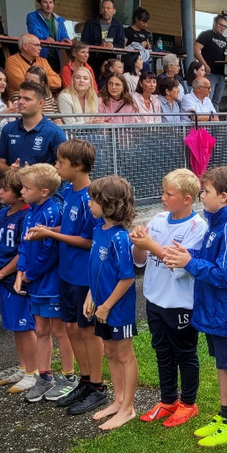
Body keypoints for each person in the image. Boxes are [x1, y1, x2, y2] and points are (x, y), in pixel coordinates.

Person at [162, 166, 227, 447]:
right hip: (213, 309)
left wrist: (189, 263)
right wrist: (191, 254)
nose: (202, 195)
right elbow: (210, 259)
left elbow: (225, 276)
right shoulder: (215, 224)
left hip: (225, 310)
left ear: (223, 196)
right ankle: (224, 417)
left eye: (206, 191)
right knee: (222, 365)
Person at [24, 139, 100, 405]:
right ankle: (84, 380)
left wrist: (49, 233)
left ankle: (97, 386)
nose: (56, 166)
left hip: (82, 275)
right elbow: (68, 231)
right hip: (66, 274)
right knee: (70, 328)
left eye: (60, 162)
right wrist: (48, 232)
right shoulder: (69, 192)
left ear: (78, 165)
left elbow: (90, 240)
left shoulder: (92, 196)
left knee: (86, 330)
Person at [132, 169, 208, 426]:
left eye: (169, 194)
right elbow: (141, 260)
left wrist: (149, 245)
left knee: (184, 353)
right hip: (154, 299)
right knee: (161, 351)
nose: (162, 197)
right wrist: (138, 242)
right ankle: (168, 400)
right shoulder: (159, 219)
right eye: (163, 192)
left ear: (187, 199)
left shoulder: (198, 227)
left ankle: (188, 403)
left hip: (180, 303)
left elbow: (180, 263)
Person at [14, 163, 75, 402]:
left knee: (60, 330)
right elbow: (24, 244)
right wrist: (21, 271)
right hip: (35, 283)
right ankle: (44, 376)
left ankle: (69, 377)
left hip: (49, 283)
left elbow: (51, 251)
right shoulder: (30, 212)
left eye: (26, 188)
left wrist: (31, 273)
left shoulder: (52, 212)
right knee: (40, 329)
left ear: (44, 192)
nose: (22, 192)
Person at [83, 175, 139, 431]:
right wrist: (91, 296)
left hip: (117, 310)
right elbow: (97, 270)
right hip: (101, 306)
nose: (89, 202)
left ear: (108, 203)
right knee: (109, 351)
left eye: (93, 199)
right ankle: (118, 400)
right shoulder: (98, 230)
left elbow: (127, 278)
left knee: (124, 354)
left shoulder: (120, 238)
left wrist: (106, 306)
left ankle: (128, 407)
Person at [0, 168, 39, 393]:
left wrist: (2, 271)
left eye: (5, 189)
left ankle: (33, 372)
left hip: (15, 280)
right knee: (16, 326)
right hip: (3, 279)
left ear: (20, 194)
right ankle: (23, 366)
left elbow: (22, 252)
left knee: (25, 327)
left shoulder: (26, 216)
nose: (0, 192)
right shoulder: (2, 214)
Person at [0, 81, 68, 176]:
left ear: (40, 103)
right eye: (20, 98)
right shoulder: (8, 129)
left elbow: (63, 168)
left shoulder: (54, 132)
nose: (20, 102)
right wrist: (11, 170)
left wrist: (33, 175)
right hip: (13, 188)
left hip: (43, 189)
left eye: (27, 99)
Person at [193, 14, 227, 108]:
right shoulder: (206, 34)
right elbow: (196, 49)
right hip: (210, 73)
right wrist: (204, 66)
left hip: (221, 73)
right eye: (221, 25)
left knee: (216, 101)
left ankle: (214, 121)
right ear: (214, 23)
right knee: (207, 99)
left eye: (224, 26)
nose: (222, 28)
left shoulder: (224, 39)